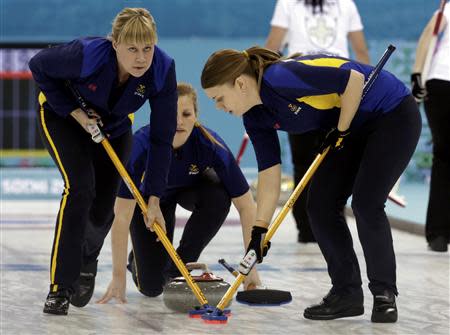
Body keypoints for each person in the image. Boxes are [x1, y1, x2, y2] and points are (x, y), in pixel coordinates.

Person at [201, 46, 421, 323]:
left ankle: (384, 293)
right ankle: (347, 293)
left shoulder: (279, 78)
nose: (220, 107)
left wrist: (340, 130)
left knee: (366, 202)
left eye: (219, 98)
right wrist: (260, 230)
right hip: (352, 125)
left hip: (391, 113)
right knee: (319, 205)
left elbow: (353, 80)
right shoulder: (255, 117)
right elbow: (269, 173)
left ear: (241, 83)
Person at [29, 8, 177, 315]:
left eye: (147, 48)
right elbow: (38, 65)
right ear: (115, 44)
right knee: (80, 188)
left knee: (105, 204)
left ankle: (87, 258)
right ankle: (60, 286)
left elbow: (162, 139)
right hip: (63, 118)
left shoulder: (162, 69)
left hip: (114, 127)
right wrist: (76, 113)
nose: (141, 58)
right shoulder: (86, 54)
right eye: (132, 49)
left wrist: (154, 199)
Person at [97, 83, 261, 303]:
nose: (179, 122)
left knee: (219, 195)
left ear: (196, 117)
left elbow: (247, 206)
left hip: (188, 191)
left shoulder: (210, 144)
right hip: (147, 204)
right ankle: (137, 259)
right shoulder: (141, 146)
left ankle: (180, 266)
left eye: (186, 114)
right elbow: (122, 216)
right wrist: (118, 277)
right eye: (171, 114)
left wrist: (251, 269)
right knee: (152, 288)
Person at [265, 0, 370, 243]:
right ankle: (326, 226)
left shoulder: (342, 4)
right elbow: (361, 53)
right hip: (331, 88)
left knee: (305, 165)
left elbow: (272, 47)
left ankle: (308, 229)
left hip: (310, 87)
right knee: (331, 161)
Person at [411, 2, 450, 253]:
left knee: (443, 156)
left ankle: (438, 234)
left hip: (439, 83)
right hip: (441, 81)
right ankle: (438, 232)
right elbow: (430, 32)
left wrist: (416, 73)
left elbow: (429, 34)